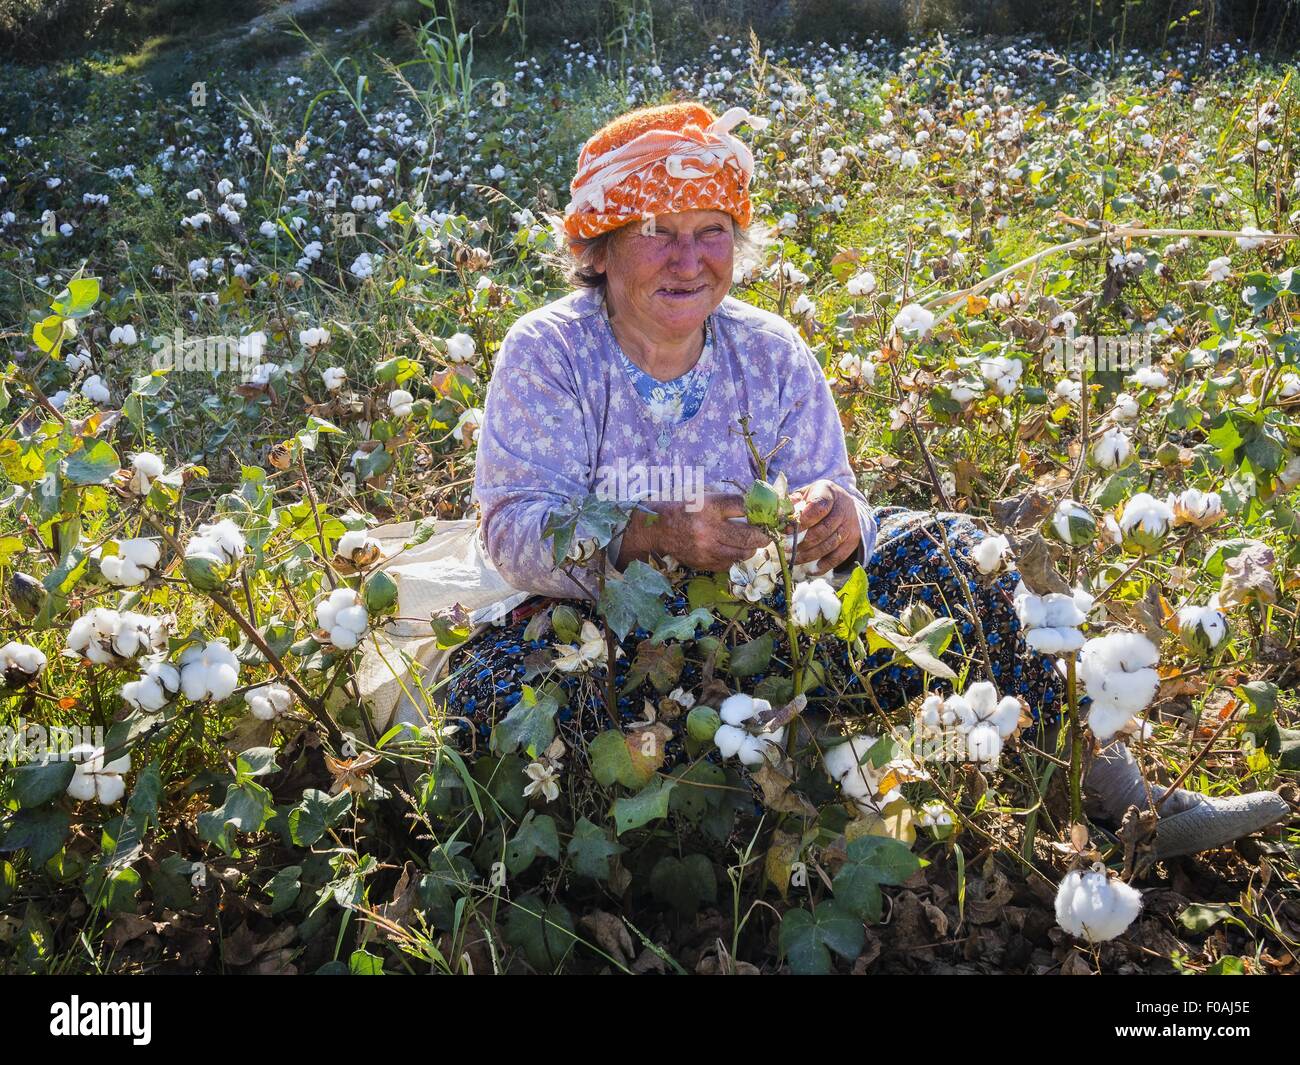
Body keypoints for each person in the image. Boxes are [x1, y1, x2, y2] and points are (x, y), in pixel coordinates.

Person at [434, 101, 1288, 860]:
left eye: (714, 230)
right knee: (492, 701)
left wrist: (839, 518)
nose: (689, 258)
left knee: (964, 557)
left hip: (777, 627)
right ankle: (738, 796)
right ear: (601, 245)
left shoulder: (768, 350)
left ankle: (1108, 787)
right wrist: (655, 532)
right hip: (616, 637)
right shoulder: (550, 352)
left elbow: (839, 497)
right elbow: (514, 527)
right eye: (659, 228)